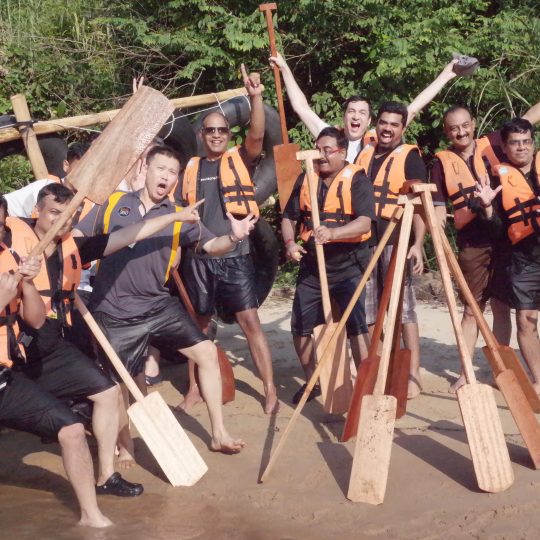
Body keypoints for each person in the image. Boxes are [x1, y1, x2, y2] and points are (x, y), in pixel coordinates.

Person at [76, 145, 251, 465]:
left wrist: (234, 237)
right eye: (161, 169)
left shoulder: (182, 214)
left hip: (157, 305)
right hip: (113, 310)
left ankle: (219, 433)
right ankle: (126, 446)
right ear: (145, 169)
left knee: (207, 353)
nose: (166, 177)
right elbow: (78, 236)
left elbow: (211, 245)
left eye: (173, 172)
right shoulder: (113, 203)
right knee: (123, 383)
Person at [0, 195, 111, 527]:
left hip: (4, 379)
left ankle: (92, 517)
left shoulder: (7, 257)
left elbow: (35, 320)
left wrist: (27, 285)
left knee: (72, 430)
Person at [174, 64, 279, 414]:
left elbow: (258, 137)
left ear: (228, 135)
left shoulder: (239, 160)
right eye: (211, 130)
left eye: (222, 130)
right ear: (202, 135)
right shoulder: (190, 168)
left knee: (250, 323)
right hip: (200, 259)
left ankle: (269, 390)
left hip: (235, 257)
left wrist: (255, 97)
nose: (217, 135)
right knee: (199, 327)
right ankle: (194, 389)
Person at [281, 127, 375, 401]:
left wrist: (334, 233)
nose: (321, 156)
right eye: (317, 150)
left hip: (348, 266)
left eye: (327, 150)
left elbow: (364, 222)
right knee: (300, 326)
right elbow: (288, 218)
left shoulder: (357, 179)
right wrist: (290, 244)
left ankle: (365, 389)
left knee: (356, 327)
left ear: (342, 152)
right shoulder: (306, 179)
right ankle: (313, 380)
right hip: (312, 267)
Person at [356, 101, 427, 399]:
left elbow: (421, 207)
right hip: (364, 241)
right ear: (377, 124)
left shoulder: (410, 158)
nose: (387, 129)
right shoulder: (365, 152)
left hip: (395, 240)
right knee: (370, 310)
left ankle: (413, 373)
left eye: (394, 124)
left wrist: (418, 244)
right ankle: (385, 368)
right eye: (383, 122)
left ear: (403, 127)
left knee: (403, 309)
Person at [269, 52, 458, 163]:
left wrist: (445, 76)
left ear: (369, 121)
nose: (355, 117)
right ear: (344, 117)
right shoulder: (329, 134)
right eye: (351, 111)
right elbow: (301, 108)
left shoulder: (379, 138)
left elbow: (414, 108)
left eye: (361, 113)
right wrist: (284, 68)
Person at [480, 118, 540, 393]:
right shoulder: (496, 179)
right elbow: (497, 229)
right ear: (504, 147)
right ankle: (538, 379)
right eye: (515, 143)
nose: (521, 147)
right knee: (526, 320)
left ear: (533, 144)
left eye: (526, 141)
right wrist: (487, 208)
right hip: (523, 259)